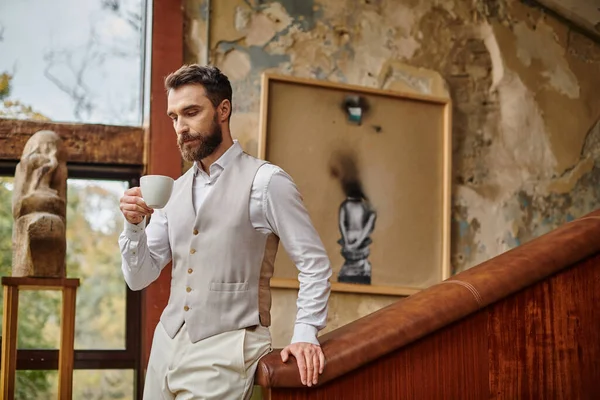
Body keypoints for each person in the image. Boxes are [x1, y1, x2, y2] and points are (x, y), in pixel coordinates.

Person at [118, 64, 332, 399]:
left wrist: (305, 333)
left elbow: (314, 263)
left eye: (191, 112)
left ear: (223, 110)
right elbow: (138, 277)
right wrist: (133, 228)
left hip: (228, 347)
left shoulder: (267, 182)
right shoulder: (173, 191)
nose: (181, 127)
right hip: (166, 345)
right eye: (174, 117)